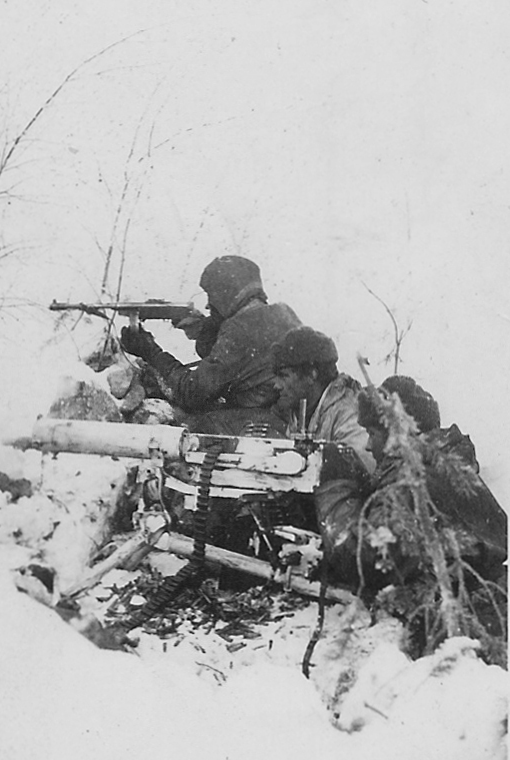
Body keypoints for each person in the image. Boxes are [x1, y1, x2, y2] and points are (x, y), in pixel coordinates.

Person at [315, 377, 507, 598]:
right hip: (482, 599)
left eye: (373, 434)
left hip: (463, 612)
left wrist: (335, 489)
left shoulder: (414, 479)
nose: (368, 446)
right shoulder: (441, 466)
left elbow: (367, 563)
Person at [119, 255, 302, 436]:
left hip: (265, 424)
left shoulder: (239, 328)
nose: (208, 305)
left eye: (211, 295)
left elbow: (192, 392)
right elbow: (239, 362)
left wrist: (151, 351)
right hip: (287, 417)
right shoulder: (282, 313)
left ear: (227, 293)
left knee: (192, 425)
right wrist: (202, 327)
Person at [270, 326, 375, 474]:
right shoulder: (301, 409)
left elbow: (362, 472)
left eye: (283, 375)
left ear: (312, 374)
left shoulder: (348, 411)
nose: (276, 385)